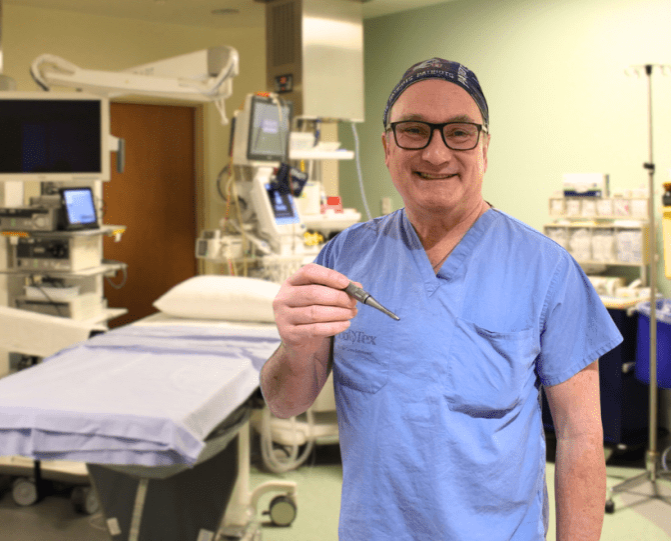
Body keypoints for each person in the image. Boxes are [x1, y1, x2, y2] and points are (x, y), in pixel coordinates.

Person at [260, 58, 623, 540]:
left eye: (458, 132)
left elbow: (581, 438)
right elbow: (285, 404)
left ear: (484, 147)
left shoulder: (547, 270)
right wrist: (295, 344)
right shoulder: (343, 258)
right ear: (387, 147)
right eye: (413, 130)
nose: (435, 153)